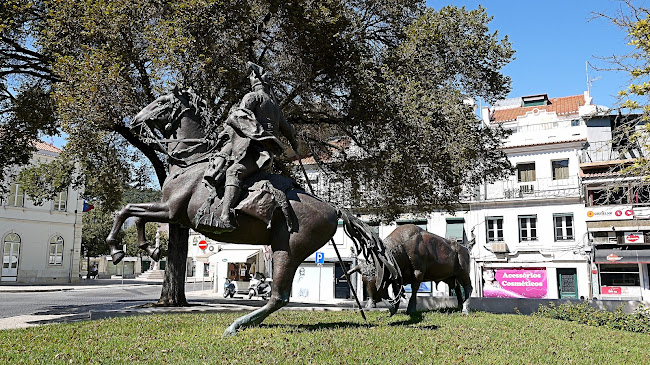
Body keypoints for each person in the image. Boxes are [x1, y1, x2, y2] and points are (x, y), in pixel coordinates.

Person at [200, 62, 299, 230]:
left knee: (233, 171)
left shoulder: (252, 97)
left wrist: (229, 129)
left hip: (255, 152)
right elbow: (289, 131)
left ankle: (225, 217)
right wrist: (295, 144)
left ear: (255, 83)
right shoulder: (275, 107)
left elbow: (239, 116)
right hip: (267, 152)